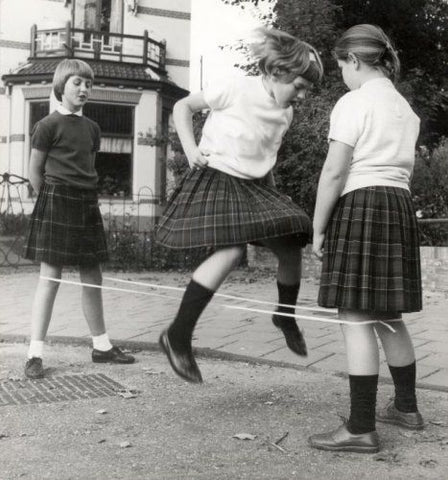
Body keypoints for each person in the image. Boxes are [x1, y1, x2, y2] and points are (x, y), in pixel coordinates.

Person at [156, 27, 323, 384]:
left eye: (308, 89)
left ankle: (285, 315)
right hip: (217, 177)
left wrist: (275, 204)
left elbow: (266, 159)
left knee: (293, 240)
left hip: (255, 186)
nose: (303, 96)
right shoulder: (235, 88)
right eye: (300, 86)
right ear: (277, 72)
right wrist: (190, 151)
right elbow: (183, 107)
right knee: (231, 252)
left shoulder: (286, 114)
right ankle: (177, 335)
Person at [309, 24, 424, 454]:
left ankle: (360, 427)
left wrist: (319, 227)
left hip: (363, 203)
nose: (342, 74)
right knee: (388, 314)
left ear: (354, 60)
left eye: (341, 66)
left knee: (355, 315)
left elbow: (335, 172)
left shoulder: (354, 101)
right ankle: (406, 408)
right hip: (398, 205)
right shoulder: (405, 109)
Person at [23, 59, 135, 379]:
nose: (84, 89)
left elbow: (88, 166)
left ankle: (101, 346)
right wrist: (50, 201)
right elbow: (35, 171)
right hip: (57, 200)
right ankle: (35, 353)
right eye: (77, 83)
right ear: (61, 87)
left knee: (92, 277)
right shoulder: (47, 125)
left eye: (88, 84)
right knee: (50, 279)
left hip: (86, 203)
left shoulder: (93, 129)